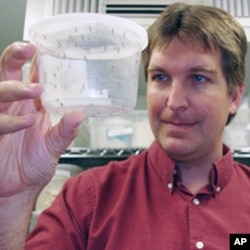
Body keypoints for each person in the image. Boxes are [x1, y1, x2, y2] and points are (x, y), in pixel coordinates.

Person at [0, 2, 249, 249]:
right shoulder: (86, 199)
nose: (174, 102)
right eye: (160, 77)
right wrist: (13, 201)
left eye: (198, 78)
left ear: (234, 97)